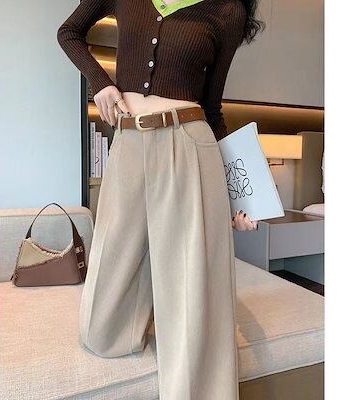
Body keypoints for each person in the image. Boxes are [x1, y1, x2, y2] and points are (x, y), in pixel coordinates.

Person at [57, 0, 264, 398]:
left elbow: (213, 108)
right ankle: (140, 321)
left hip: (189, 142)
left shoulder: (226, 11)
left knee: (191, 274)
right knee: (102, 321)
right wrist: (100, 81)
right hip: (128, 142)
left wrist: (242, 197)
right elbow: (69, 32)